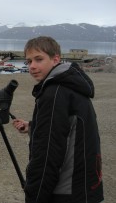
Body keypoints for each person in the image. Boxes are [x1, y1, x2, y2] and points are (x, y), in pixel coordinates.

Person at [12, 36, 104, 203]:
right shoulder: (72, 84)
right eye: (28, 61)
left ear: (56, 59)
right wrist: (34, 126)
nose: (32, 66)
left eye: (38, 59)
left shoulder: (54, 93)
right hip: (87, 185)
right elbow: (68, 128)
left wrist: (34, 196)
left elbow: (47, 155)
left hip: (67, 191)